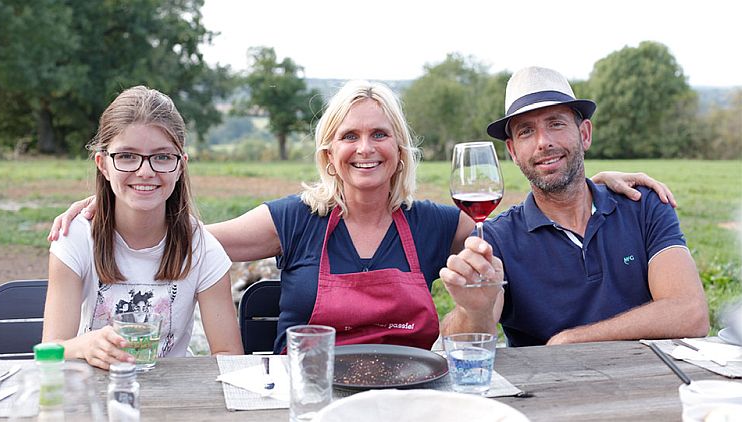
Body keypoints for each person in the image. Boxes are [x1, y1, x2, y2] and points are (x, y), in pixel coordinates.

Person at [49, 80, 674, 354]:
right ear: (329, 151)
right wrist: (109, 203)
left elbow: (521, 222)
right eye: (350, 135)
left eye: (381, 134)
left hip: (414, 399)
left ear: (400, 148)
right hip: (314, 403)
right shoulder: (293, 220)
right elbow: (177, 241)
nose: (366, 147)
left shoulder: (433, 223)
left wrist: (592, 187)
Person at [439, 66, 710, 346]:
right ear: (513, 152)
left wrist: (571, 340)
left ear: (585, 134)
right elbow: (464, 344)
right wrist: (474, 310)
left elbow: (690, 312)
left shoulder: (643, 205)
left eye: (556, 123)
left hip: (650, 384)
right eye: (526, 132)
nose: (543, 142)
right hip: (546, 389)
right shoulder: (495, 239)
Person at [43, 86, 243, 370]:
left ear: (180, 166)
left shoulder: (202, 248)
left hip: (171, 400)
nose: (145, 171)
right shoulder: (75, 238)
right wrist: (84, 345)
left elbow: (228, 355)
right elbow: (51, 350)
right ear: (103, 164)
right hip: (93, 397)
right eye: (126, 156)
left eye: (162, 157)